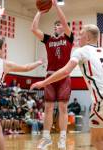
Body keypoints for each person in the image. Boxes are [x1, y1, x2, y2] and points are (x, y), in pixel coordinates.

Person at [31, 24, 103, 150]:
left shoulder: (81, 51)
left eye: (81, 35)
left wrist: (44, 83)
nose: (78, 38)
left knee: (98, 139)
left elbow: (65, 72)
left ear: (88, 38)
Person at [0, 38, 43, 150]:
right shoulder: (5, 64)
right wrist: (39, 62)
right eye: (3, 48)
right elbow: (26, 68)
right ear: (0, 51)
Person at [31, 0, 74, 149]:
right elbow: (33, 29)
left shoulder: (69, 38)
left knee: (63, 108)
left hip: (63, 76)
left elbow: (64, 21)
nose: (58, 26)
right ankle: (46, 137)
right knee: (48, 108)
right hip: (49, 76)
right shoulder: (48, 39)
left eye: (60, 24)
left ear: (64, 27)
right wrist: (39, 12)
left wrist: (55, 6)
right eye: (55, 25)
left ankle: (62, 137)